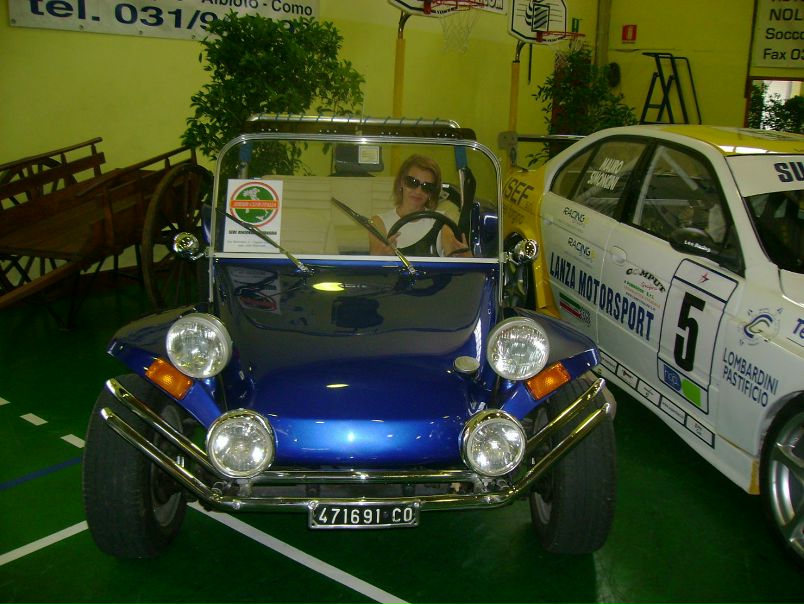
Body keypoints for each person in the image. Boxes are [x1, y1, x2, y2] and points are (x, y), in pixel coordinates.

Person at [369, 154, 470, 257]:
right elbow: (374, 264)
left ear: (432, 193)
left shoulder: (442, 221)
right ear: (401, 182)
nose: (418, 191)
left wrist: (466, 257)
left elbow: (455, 257)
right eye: (412, 182)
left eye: (427, 187)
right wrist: (382, 255)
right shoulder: (378, 222)